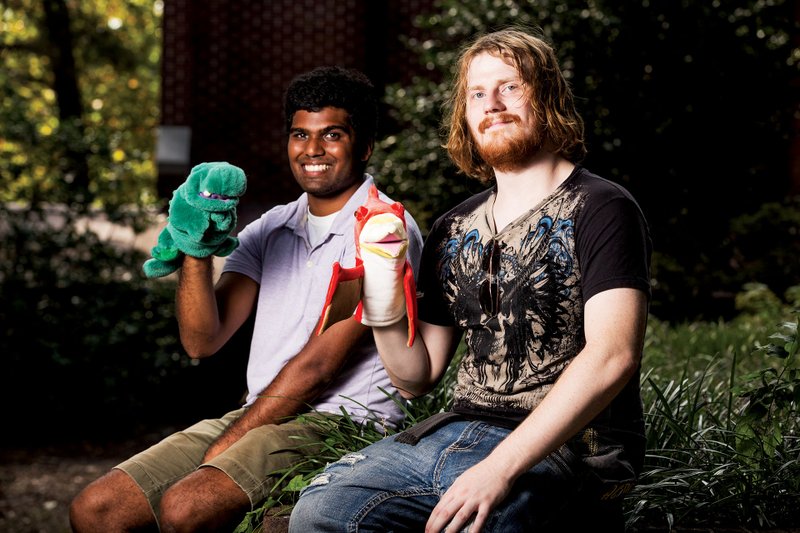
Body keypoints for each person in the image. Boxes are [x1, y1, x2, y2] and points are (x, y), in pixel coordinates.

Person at [289, 28, 652, 533]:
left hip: (567, 450)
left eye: (511, 87)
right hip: (452, 433)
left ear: (546, 97)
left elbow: (614, 356)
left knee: (488, 524)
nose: (492, 104)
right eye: (477, 93)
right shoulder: (453, 227)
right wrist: (381, 285)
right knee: (318, 512)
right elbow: (416, 375)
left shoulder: (602, 207)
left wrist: (499, 469)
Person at [69, 66, 423, 532]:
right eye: (300, 134)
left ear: (365, 146)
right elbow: (203, 340)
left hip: (340, 423)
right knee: (96, 510)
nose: (312, 150)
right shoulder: (270, 228)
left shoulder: (383, 229)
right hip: (262, 410)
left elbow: (319, 366)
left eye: (331, 134)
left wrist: (227, 444)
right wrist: (195, 247)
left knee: (186, 506)